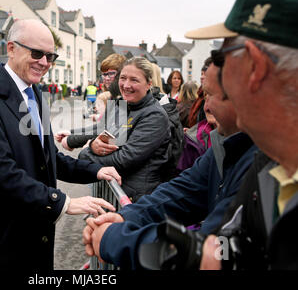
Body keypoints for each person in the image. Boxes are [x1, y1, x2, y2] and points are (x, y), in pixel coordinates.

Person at [0, 19, 121, 270]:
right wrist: (63, 202)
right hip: (3, 241)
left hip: (36, 233)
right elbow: (0, 171)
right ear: (11, 48)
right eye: (37, 53)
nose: (45, 63)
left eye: (50, 56)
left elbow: (48, 159)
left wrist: (95, 171)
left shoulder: (35, 93)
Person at [83, 56, 258, 269]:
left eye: (211, 95)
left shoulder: (260, 161)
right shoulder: (224, 146)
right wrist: (124, 218)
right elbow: (181, 191)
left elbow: (211, 252)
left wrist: (114, 239)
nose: (206, 106)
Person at [185, 0, 298, 270]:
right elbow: (237, 244)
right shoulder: (270, 161)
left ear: (254, 67)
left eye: (223, 57)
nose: (217, 71)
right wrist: (197, 253)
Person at [78, 57, 171, 202]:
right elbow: (106, 135)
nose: (126, 85)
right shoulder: (124, 105)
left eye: (134, 80)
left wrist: (86, 154)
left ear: (149, 84)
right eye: (123, 78)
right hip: (119, 193)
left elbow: (124, 158)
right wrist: (93, 145)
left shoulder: (155, 115)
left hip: (137, 199)